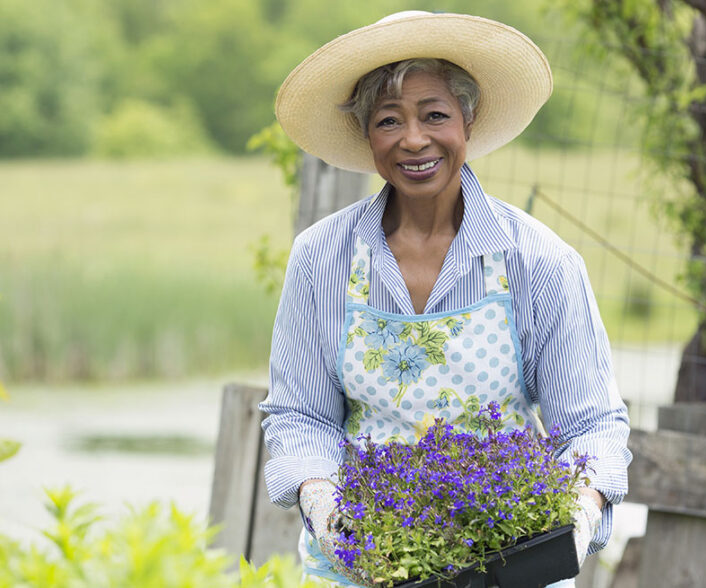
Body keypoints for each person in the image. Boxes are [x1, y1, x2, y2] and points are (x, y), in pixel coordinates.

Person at [259, 11, 632, 587]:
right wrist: (323, 501)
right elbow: (301, 415)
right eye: (389, 120)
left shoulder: (538, 261)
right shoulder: (322, 258)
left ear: (468, 120)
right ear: (367, 135)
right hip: (364, 561)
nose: (413, 139)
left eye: (434, 114)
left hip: (510, 558)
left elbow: (590, 425)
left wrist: (579, 514)